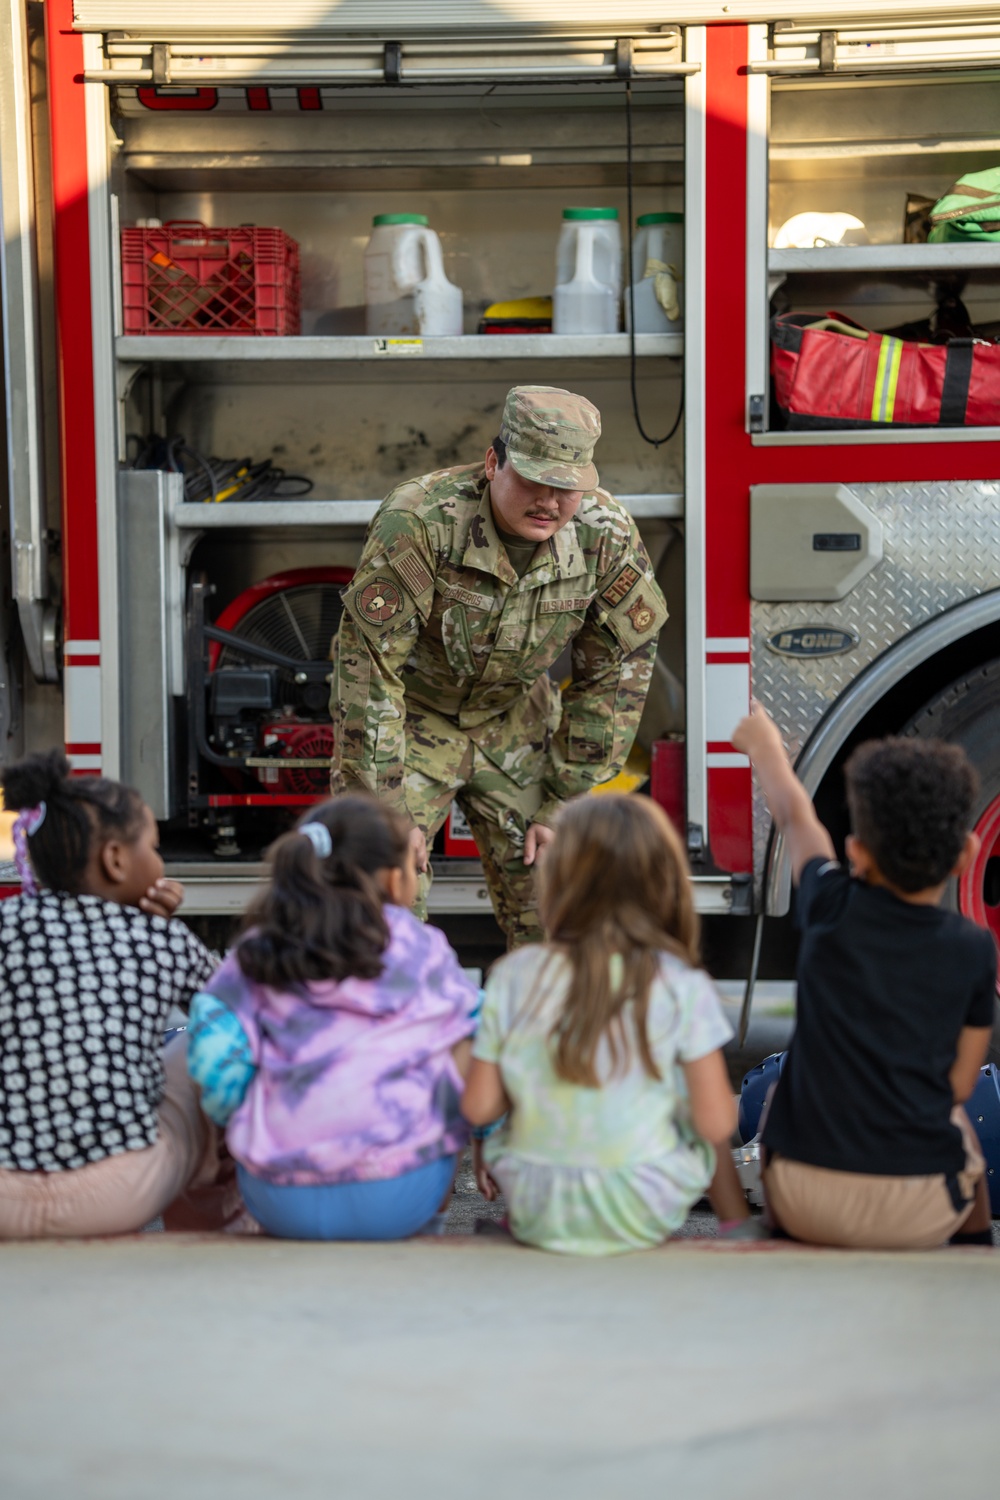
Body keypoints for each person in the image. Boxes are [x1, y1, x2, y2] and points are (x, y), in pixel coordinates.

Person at [329, 384, 668, 948]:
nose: (550, 502)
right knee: (380, 903)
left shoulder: (604, 534)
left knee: (563, 905)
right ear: (493, 463)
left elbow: (616, 671)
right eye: (534, 480)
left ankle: (539, 1034)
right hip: (410, 722)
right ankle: (400, 1032)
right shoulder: (421, 520)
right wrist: (384, 812)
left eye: (568, 488)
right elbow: (368, 673)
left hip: (516, 719)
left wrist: (567, 799)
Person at [731, 702, 995, 1249]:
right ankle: (973, 1245)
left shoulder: (830, 910)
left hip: (809, 1207)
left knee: (781, 1090)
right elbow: (960, 1085)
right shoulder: (975, 949)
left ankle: (775, 1225)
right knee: (958, 1123)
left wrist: (766, 749)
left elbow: (797, 819)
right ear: (967, 855)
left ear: (856, 854)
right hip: (921, 1213)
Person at [460, 794, 751, 1255]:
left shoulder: (514, 975)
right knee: (690, 1106)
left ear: (557, 883)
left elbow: (478, 1109)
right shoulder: (680, 983)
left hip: (537, 1205)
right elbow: (714, 1121)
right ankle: (738, 1227)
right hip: (644, 1207)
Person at [186, 796, 479, 1241]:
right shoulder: (422, 947)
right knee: (455, 1042)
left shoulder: (260, 946)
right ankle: (429, 1232)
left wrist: (241, 1117)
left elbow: (212, 1058)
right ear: (394, 879)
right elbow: (480, 1037)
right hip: (397, 1198)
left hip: (276, 1198)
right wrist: (487, 1132)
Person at [0, 749, 227, 1238]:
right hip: (117, 1195)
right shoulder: (160, 939)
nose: (161, 860)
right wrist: (161, 930)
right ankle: (211, 1230)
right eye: (155, 845)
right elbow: (237, 1005)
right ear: (117, 859)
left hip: (5, 1201)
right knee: (197, 1044)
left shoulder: (6, 924)